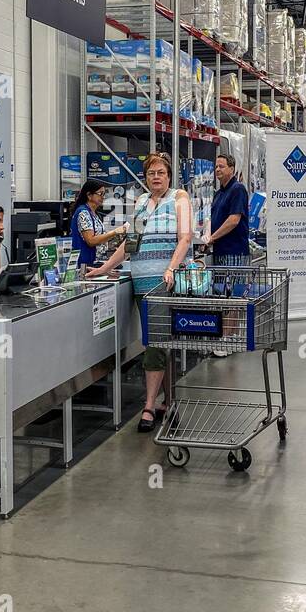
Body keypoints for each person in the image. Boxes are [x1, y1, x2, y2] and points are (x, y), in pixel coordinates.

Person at [86, 153, 193, 433]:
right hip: (139, 281)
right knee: (160, 342)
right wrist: (105, 267)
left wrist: (170, 268)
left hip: (164, 282)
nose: (155, 177)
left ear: (169, 175)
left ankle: (148, 407)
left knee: (155, 342)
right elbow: (131, 242)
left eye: (160, 172)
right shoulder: (142, 202)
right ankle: (169, 401)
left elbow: (185, 238)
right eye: (150, 174)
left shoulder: (180, 198)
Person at [69, 179, 128, 268]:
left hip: (95, 261)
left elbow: (99, 237)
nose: (103, 197)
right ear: (89, 195)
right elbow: (91, 241)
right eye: (100, 194)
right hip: (85, 264)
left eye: (104, 194)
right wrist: (114, 232)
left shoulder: (94, 214)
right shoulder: (83, 213)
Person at [207, 153, 251, 268]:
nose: (217, 169)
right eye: (216, 167)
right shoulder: (218, 194)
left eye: (221, 166)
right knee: (220, 286)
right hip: (220, 251)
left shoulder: (237, 189)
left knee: (233, 286)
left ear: (231, 169)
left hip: (234, 252)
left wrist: (212, 238)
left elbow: (233, 220)